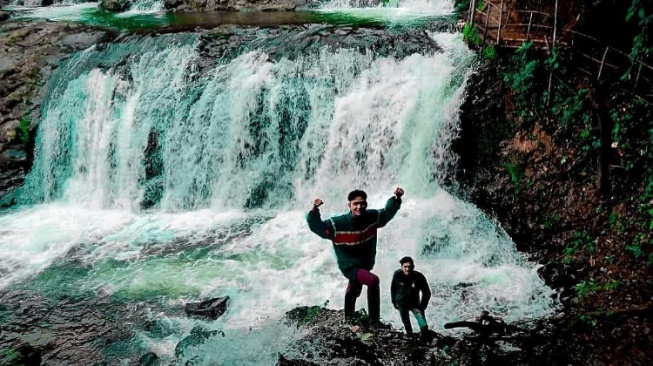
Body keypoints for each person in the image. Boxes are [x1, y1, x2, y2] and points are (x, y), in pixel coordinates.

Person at [306, 187, 404, 323]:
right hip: (349, 266)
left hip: (365, 263)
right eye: (355, 204)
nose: (359, 207)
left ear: (366, 204)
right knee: (373, 280)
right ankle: (374, 321)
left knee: (354, 289)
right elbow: (318, 227)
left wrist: (396, 199)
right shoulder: (337, 224)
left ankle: (348, 319)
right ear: (349, 205)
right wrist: (315, 210)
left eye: (362, 203)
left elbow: (387, 213)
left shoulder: (372, 217)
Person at [391, 256, 432, 341]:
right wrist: (394, 301)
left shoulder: (419, 276)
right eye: (405, 267)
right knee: (406, 323)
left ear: (413, 267)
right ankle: (411, 339)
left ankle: (425, 340)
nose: (407, 269)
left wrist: (422, 306)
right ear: (401, 267)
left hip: (415, 305)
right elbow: (393, 288)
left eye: (409, 267)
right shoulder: (397, 274)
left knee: (423, 324)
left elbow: (427, 292)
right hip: (402, 304)